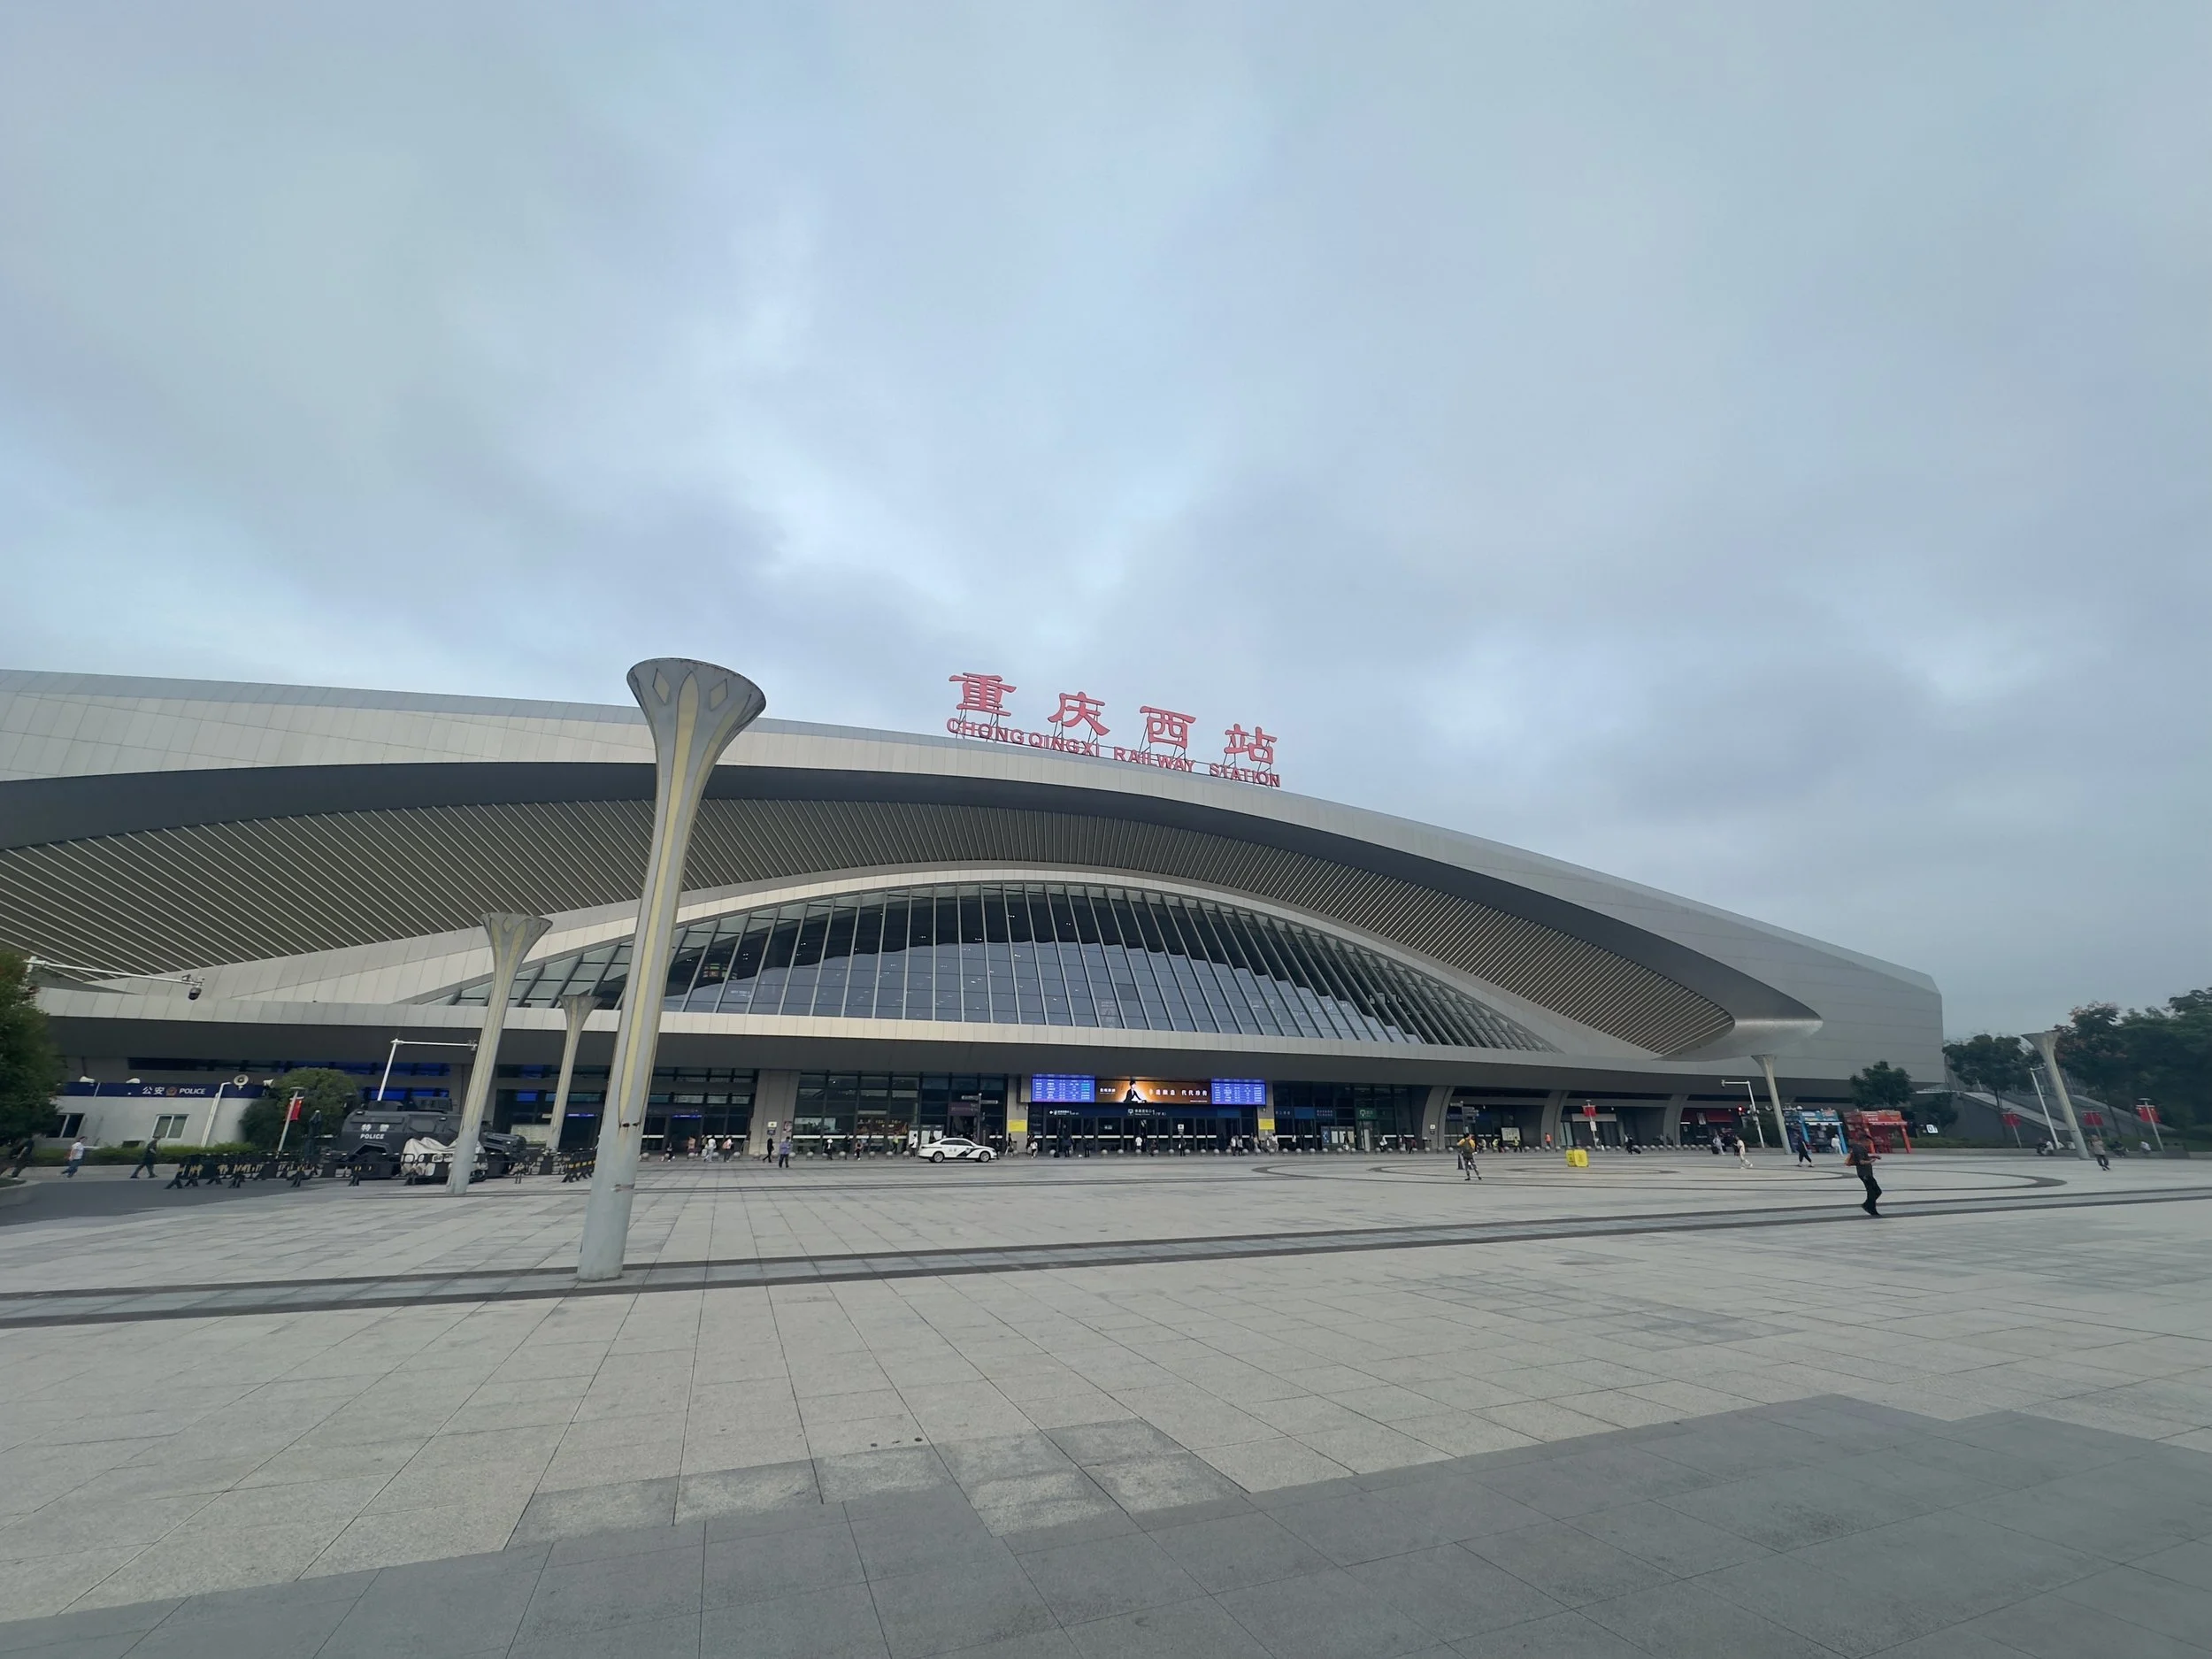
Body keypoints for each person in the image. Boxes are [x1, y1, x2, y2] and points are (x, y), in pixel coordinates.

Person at [1845, 1133, 1881, 1217]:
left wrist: (1873, 1156)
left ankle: (1870, 1207)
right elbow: (1861, 1162)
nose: (1869, 1144)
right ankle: (1868, 1207)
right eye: (1869, 1142)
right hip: (1864, 1173)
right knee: (1874, 1191)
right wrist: (1871, 1161)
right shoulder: (1858, 1149)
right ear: (1864, 1141)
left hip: (1866, 1173)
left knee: (1874, 1191)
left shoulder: (1859, 1148)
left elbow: (1862, 1157)